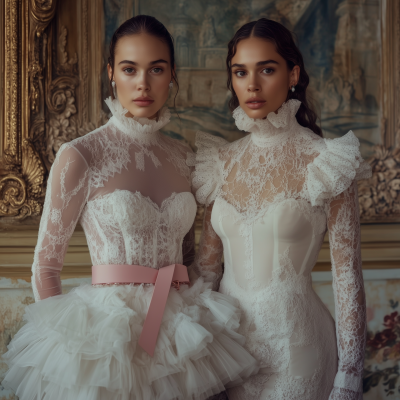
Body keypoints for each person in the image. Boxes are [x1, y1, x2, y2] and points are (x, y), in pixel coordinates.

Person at [1, 15, 258, 400]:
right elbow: (45, 267)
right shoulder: (80, 156)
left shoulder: (184, 158)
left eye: (156, 69)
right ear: (111, 74)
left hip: (181, 331)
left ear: (172, 75)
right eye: (129, 68)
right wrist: (73, 349)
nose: (142, 83)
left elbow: (187, 258)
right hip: (108, 334)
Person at [188, 18, 371, 400]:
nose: (251, 85)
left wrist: (349, 376)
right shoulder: (220, 163)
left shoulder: (326, 162)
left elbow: (347, 278)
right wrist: (198, 356)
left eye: (266, 69)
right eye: (240, 72)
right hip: (229, 356)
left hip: (298, 351)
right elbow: (206, 272)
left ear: (293, 74)